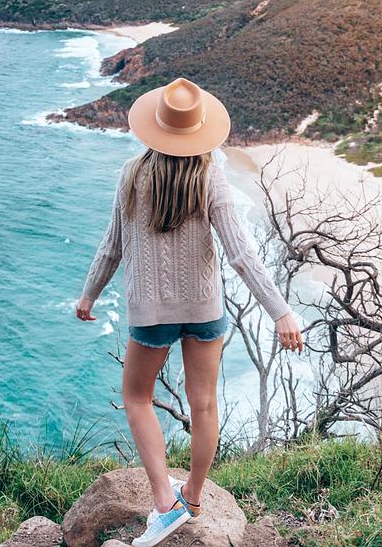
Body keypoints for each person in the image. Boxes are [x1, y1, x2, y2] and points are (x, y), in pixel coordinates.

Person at [76, 77, 303, 547]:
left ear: (156, 128)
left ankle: (164, 502)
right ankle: (192, 498)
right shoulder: (210, 175)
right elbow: (241, 253)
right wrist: (280, 310)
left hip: (150, 313)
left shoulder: (131, 173)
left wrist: (88, 295)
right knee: (204, 405)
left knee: (137, 399)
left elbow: (112, 246)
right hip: (204, 310)